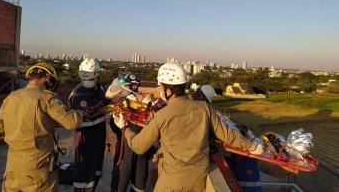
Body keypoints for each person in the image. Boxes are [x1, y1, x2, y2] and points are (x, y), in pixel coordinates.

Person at [113, 63, 264, 191]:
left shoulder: (162, 115)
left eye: (161, 87)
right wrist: (252, 146)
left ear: (168, 90)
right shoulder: (204, 108)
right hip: (198, 180)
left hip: (172, 182)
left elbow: (139, 147)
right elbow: (228, 135)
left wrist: (123, 127)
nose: (159, 91)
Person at [0, 62, 85, 192]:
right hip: (38, 169)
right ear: (48, 78)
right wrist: (81, 112)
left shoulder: (11, 97)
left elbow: (0, 128)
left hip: (12, 167)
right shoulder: (48, 98)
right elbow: (72, 122)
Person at [68, 58, 121, 192]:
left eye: (91, 79)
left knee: (96, 170)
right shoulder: (78, 93)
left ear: (97, 75)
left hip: (99, 133)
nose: (87, 82)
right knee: (83, 173)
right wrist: (106, 99)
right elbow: (88, 111)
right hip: (85, 136)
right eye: (85, 79)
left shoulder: (102, 88)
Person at [109, 72, 151, 192]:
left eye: (136, 85)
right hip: (125, 148)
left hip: (141, 151)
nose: (135, 89)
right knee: (120, 182)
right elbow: (114, 127)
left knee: (139, 183)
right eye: (131, 86)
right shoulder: (119, 105)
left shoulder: (145, 104)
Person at [224, 126, 298, 192]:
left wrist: (290, 165)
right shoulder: (224, 161)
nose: (237, 149)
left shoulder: (254, 159)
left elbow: (277, 171)